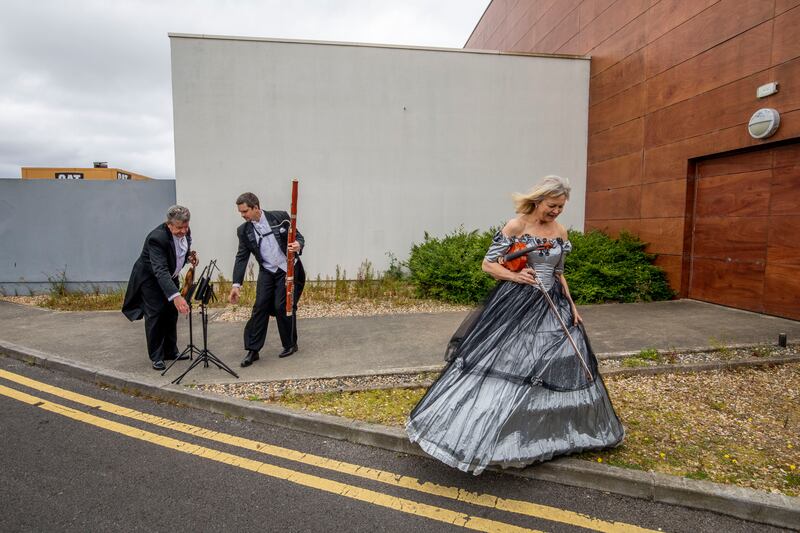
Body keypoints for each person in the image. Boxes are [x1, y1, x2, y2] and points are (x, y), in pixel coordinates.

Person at [406, 175, 624, 474]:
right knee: (514, 362)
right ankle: (497, 435)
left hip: (553, 304)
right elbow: (488, 263)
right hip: (518, 303)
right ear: (538, 200)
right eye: (552, 205)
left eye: (561, 206)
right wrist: (515, 276)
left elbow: (559, 272)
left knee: (550, 362)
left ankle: (548, 434)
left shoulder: (560, 230)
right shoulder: (516, 226)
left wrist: (572, 306)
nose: (557, 211)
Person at [229, 192, 305, 367]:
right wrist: (236, 285)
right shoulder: (244, 230)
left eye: (245, 211)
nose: (243, 215)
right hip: (268, 271)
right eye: (240, 212)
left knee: (282, 306)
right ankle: (253, 350)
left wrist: (298, 245)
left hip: (287, 269)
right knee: (260, 306)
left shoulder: (280, 217)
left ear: (256, 207)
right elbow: (241, 257)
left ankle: (290, 344)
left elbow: (298, 237)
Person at [122, 205, 198, 371]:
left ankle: (170, 351)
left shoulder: (186, 231)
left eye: (186, 227)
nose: (183, 231)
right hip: (151, 279)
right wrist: (176, 296)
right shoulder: (156, 239)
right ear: (169, 224)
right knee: (155, 314)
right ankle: (156, 357)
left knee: (171, 314)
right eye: (179, 228)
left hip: (170, 277)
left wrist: (189, 258)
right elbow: (160, 270)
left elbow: (178, 252)